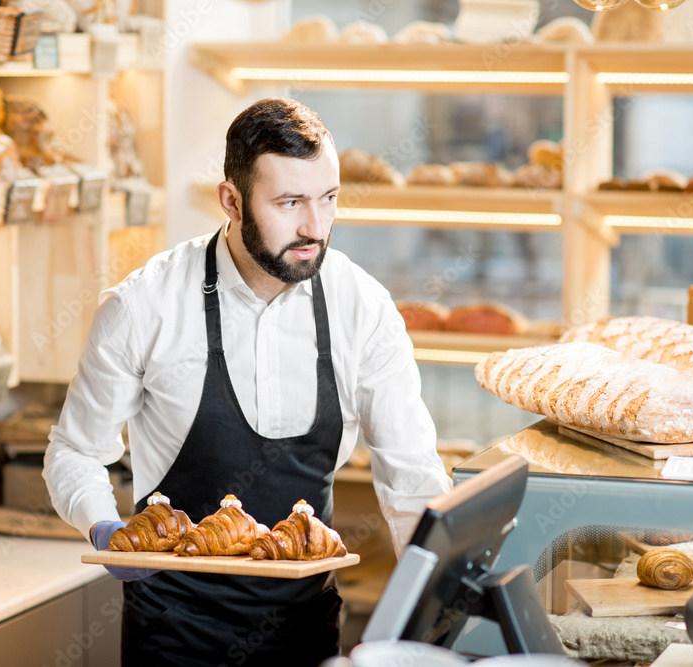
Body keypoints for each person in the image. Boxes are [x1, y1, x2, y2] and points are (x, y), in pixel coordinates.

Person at [44, 97, 453, 666]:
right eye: (289, 203)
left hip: (306, 635)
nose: (314, 227)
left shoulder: (362, 307)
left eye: (328, 199)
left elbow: (412, 479)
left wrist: (438, 616)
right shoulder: (146, 306)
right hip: (173, 638)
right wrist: (103, 527)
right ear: (231, 201)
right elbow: (75, 452)